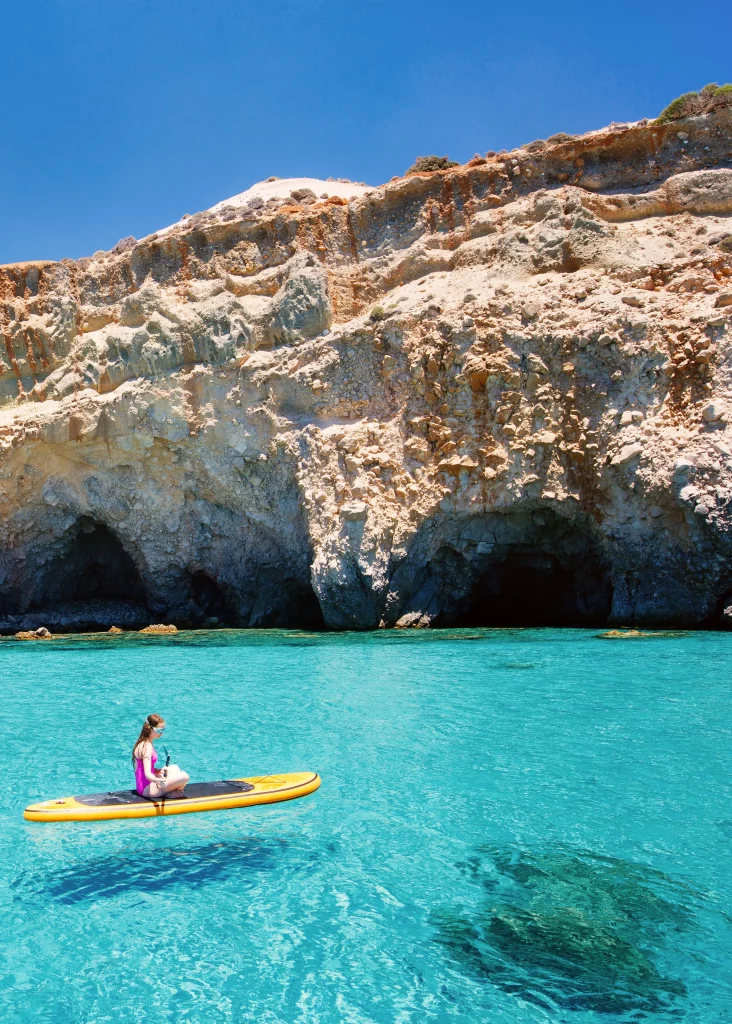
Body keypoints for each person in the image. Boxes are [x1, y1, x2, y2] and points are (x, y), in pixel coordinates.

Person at [132, 714, 189, 799]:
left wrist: (157, 770)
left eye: (163, 730)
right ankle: (174, 792)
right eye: (159, 730)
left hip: (143, 786)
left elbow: (141, 768)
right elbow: (147, 774)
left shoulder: (142, 743)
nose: (161, 733)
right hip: (148, 790)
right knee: (185, 776)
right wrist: (159, 781)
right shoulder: (147, 748)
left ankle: (171, 789)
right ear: (149, 728)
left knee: (174, 767)